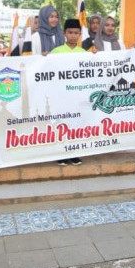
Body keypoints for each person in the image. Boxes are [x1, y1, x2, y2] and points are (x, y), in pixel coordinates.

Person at [51, 18, 85, 165]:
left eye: (76, 33)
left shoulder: (84, 53)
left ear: (80, 34)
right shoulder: (56, 51)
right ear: (64, 33)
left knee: (76, 123)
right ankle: (61, 153)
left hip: (77, 95)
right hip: (61, 95)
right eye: (70, 32)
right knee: (62, 123)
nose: (73, 36)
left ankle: (74, 152)